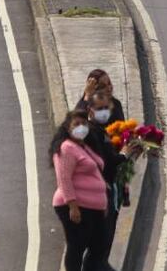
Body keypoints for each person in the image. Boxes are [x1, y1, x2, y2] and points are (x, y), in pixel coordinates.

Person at [83, 91, 141, 268]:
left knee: (103, 242)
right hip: (97, 195)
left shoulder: (100, 131)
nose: (104, 112)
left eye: (106, 108)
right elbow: (106, 162)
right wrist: (124, 155)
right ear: (90, 110)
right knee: (99, 243)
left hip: (106, 192)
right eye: (99, 108)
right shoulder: (91, 133)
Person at [51, 109, 109, 271]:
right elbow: (64, 178)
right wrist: (73, 206)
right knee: (77, 245)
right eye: (76, 124)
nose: (81, 127)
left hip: (93, 207)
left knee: (99, 244)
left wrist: (102, 204)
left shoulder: (83, 146)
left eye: (84, 124)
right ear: (68, 128)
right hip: (77, 206)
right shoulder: (67, 148)